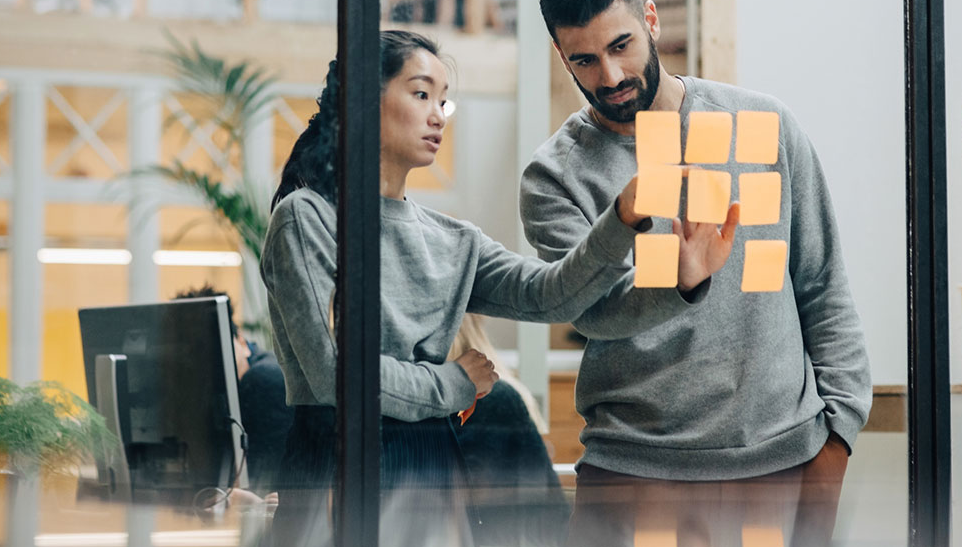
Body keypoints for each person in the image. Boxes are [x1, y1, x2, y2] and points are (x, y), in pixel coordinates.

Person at [259, 29, 739, 496]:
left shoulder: (452, 239)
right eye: (421, 94)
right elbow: (335, 376)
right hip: (334, 468)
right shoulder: (307, 218)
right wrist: (453, 383)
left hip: (432, 468)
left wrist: (627, 221)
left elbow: (550, 294)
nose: (438, 115)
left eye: (443, 100)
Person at [520, 0, 872, 542]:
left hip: (783, 463)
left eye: (622, 45)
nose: (609, 76)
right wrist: (680, 285)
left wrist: (837, 442)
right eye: (584, 59)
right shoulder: (554, 176)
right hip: (633, 472)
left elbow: (822, 285)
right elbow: (592, 313)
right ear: (562, 56)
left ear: (651, 20)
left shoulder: (762, 125)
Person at [172, 285, 293, 494]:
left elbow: (259, 484)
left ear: (242, 343)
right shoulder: (219, 395)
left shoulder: (264, 380)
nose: (210, 361)